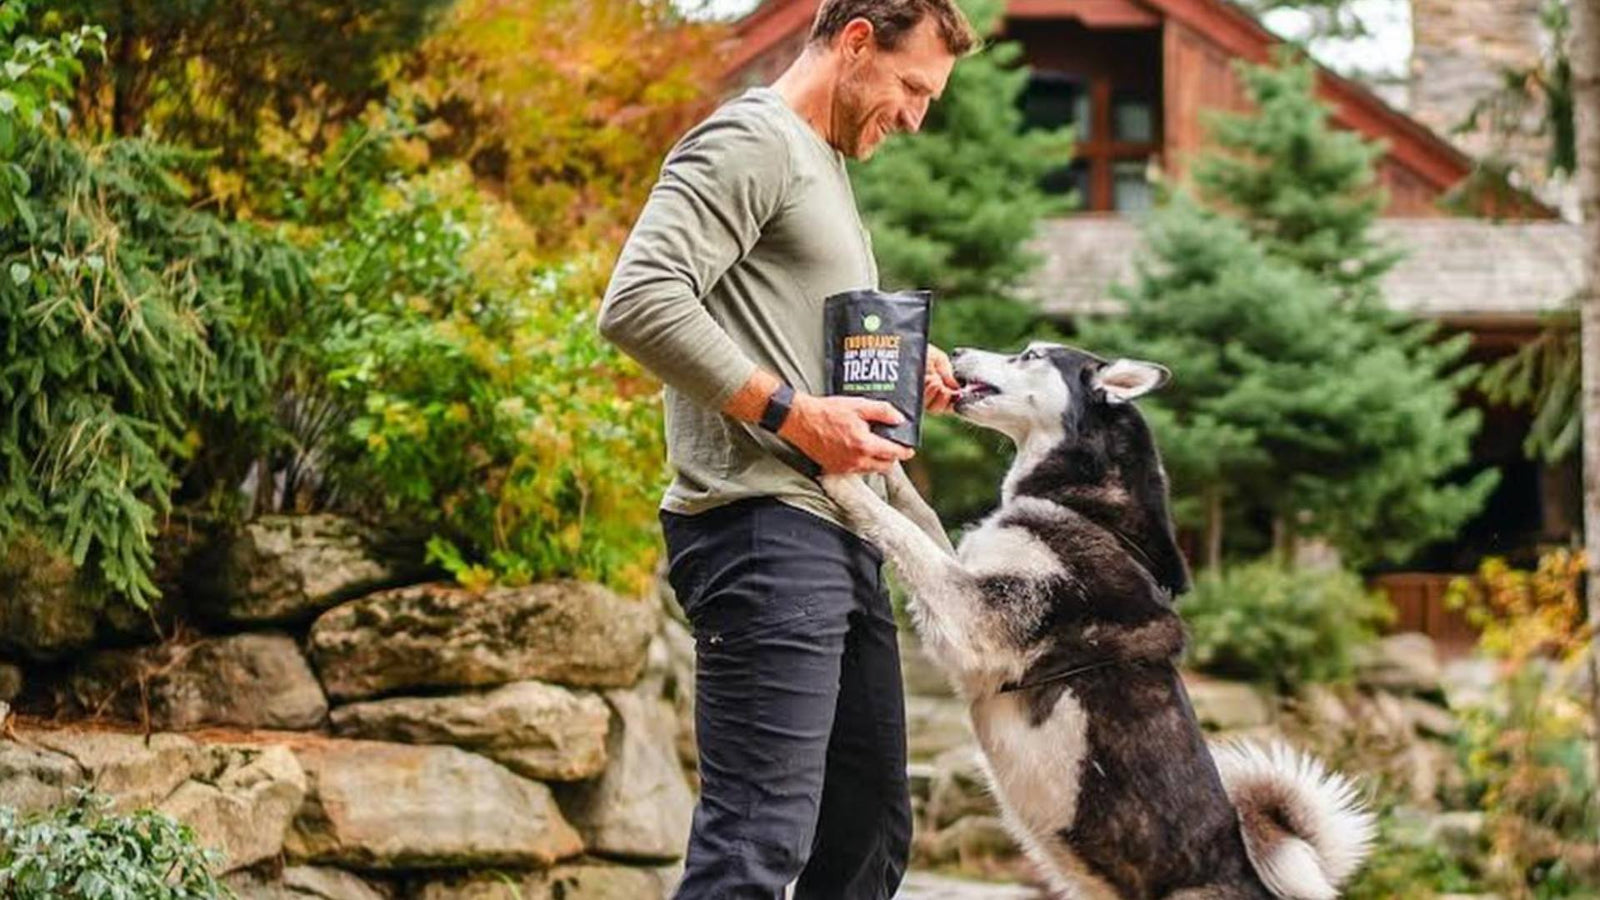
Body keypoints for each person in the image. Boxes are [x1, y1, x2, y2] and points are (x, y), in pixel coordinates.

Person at [596, 1, 979, 896]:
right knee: (757, 846)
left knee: (866, 835)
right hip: (761, 531)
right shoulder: (750, 140)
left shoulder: (826, 170)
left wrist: (902, 368)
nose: (917, 116)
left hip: (842, 532)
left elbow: (791, 338)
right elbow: (640, 299)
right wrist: (794, 414)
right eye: (912, 86)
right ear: (855, 43)